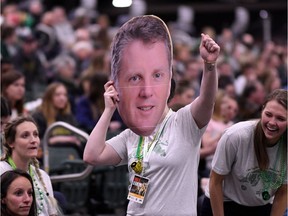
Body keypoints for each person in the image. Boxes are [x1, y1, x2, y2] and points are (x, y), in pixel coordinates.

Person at [84, 15, 220, 215]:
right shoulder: (131, 135)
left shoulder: (184, 123)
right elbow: (91, 155)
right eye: (135, 78)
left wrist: (209, 66)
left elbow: (207, 100)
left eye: (157, 76)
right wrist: (108, 110)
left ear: (167, 86)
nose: (147, 92)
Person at [200, 89, 287, 216]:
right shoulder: (236, 135)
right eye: (268, 114)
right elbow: (215, 181)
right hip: (223, 203)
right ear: (262, 110)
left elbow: (284, 192)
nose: (272, 122)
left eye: (280, 118)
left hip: (260, 206)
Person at [0, 115, 62, 216]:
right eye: (25, 135)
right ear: (11, 142)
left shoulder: (43, 176)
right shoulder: (1, 170)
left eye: (36, 134)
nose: (33, 140)